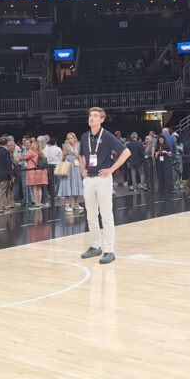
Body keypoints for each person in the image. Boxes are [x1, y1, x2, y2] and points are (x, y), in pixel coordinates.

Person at [79, 107, 130, 264]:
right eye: (90, 115)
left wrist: (111, 169)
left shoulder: (107, 136)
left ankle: (109, 250)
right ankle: (95, 246)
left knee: (106, 215)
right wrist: (82, 169)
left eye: (95, 116)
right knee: (91, 215)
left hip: (103, 179)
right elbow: (81, 155)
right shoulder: (84, 136)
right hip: (89, 179)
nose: (91, 118)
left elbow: (126, 152)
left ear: (102, 119)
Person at [20, 138, 48, 209]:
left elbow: (23, 158)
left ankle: (36, 204)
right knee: (39, 188)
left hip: (34, 172)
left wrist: (20, 153)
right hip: (41, 172)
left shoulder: (32, 152)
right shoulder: (41, 153)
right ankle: (39, 203)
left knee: (35, 188)